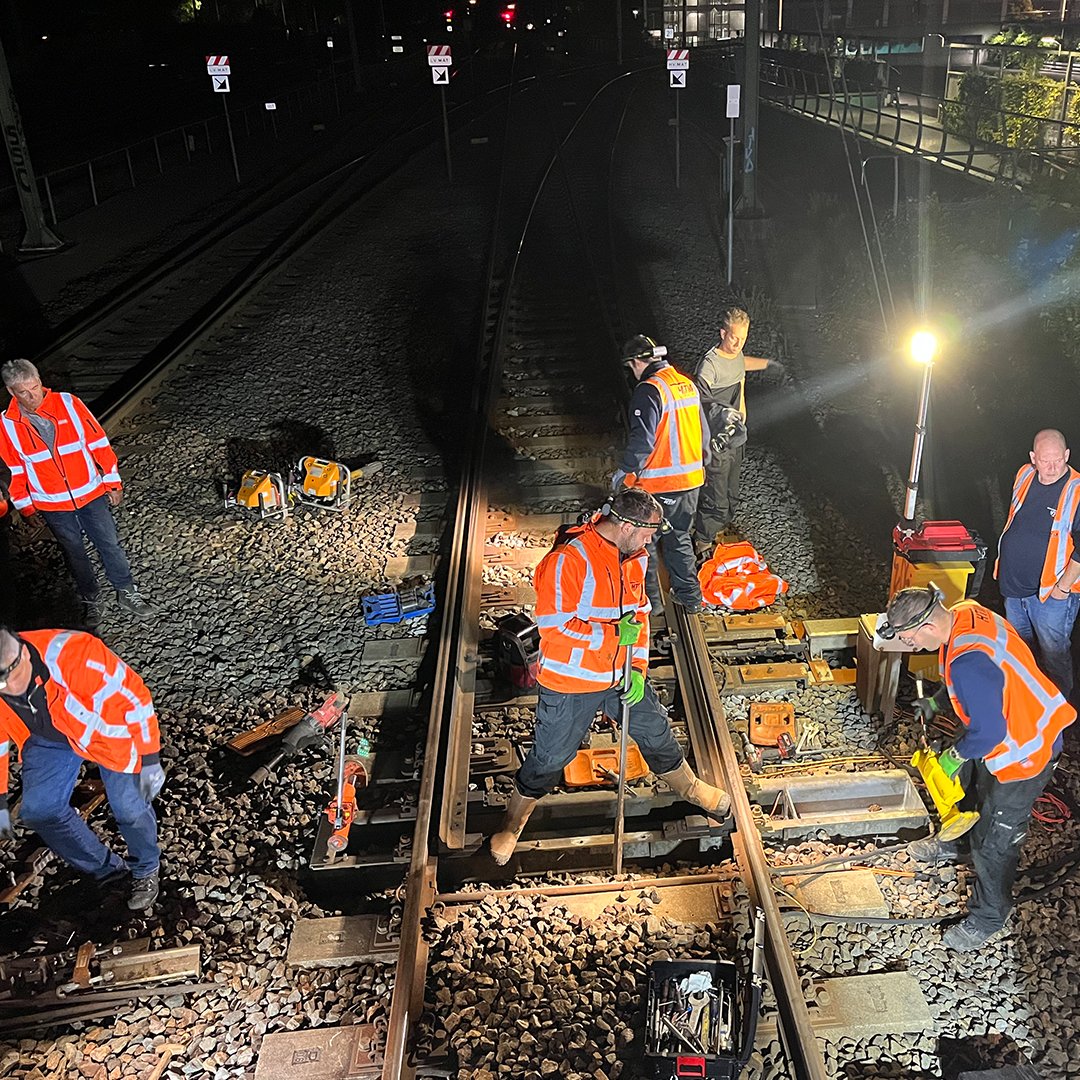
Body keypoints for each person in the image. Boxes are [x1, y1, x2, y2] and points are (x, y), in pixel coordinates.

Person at [489, 488, 730, 865]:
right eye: (648, 532)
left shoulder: (634, 556)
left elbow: (641, 615)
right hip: (573, 683)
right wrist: (616, 636)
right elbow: (554, 627)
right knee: (551, 757)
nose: (652, 540)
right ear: (626, 525)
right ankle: (512, 824)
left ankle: (691, 788)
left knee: (655, 731)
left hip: (619, 675)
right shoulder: (568, 561)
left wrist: (636, 668)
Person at [881, 585, 1074, 952]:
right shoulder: (965, 612)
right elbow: (974, 683)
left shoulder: (967, 660)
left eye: (908, 639)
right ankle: (959, 843)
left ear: (926, 628)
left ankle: (988, 917)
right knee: (972, 791)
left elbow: (989, 733)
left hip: (1025, 749)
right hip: (1010, 722)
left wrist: (953, 758)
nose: (909, 646)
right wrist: (937, 704)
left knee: (996, 839)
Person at [0, 625, 165, 910]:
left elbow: (136, 697)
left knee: (129, 808)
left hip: (107, 738)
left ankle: (146, 869)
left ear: (24, 653)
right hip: (48, 737)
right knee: (40, 810)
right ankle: (109, 871)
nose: (11, 689)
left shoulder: (76, 653)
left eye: (13, 678)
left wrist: (150, 757)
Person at [0, 359, 155, 628]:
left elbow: (98, 442)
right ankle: (91, 599)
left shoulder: (68, 404)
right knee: (75, 553)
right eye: (23, 392)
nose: (32, 395)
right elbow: (14, 468)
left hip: (91, 493)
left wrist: (112, 481)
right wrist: (25, 506)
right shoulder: (6, 424)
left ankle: (127, 591)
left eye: (35, 387)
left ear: (40, 381)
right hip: (52, 504)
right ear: (11, 392)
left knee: (109, 544)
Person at [611, 335, 708, 614]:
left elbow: (642, 442)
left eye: (632, 366)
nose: (633, 372)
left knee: (646, 541)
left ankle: (652, 603)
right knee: (678, 536)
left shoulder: (649, 390)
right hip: (691, 482)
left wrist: (625, 474)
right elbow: (703, 433)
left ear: (639, 361)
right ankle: (691, 598)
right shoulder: (685, 384)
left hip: (660, 485)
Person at [994, 429, 1080, 698]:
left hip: (1051, 595)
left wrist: (1062, 588)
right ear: (1033, 457)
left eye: (1058, 459)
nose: (1052, 467)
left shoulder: (1076, 491)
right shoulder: (1024, 475)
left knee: (1055, 657)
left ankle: (1064, 717)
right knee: (1020, 652)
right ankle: (1028, 706)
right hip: (1014, 589)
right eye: (1045, 460)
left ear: (1067, 455)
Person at [693, 306, 773, 547]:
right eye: (733, 337)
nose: (738, 343)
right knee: (716, 501)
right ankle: (702, 544)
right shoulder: (709, 365)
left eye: (743, 338)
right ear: (722, 333)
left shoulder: (738, 356)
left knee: (732, 497)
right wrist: (725, 418)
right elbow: (702, 403)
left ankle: (714, 531)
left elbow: (741, 386)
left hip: (736, 440)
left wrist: (742, 418)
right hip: (716, 443)